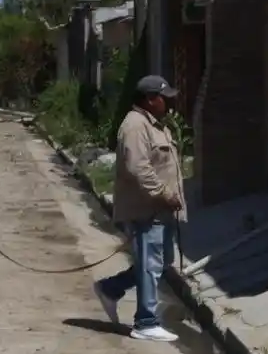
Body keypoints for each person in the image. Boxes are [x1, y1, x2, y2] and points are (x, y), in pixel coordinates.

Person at [93, 74, 186, 342]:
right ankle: (145, 322)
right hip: (147, 209)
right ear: (149, 99)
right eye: (164, 97)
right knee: (150, 263)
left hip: (160, 209)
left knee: (159, 261)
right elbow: (139, 169)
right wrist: (164, 194)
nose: (168, 102)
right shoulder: (135, 126)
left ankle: (111, 288)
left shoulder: (153, 124)